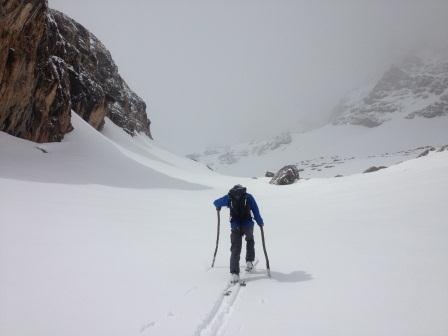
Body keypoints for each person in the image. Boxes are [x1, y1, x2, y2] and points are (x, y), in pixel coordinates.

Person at [213, 184, 264, 283]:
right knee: (250, 240)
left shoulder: (229, 197)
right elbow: (256, 211)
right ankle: (249, 262)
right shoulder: (248, 196)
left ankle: (235, 273)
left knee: (235, 248)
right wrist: (260, 222)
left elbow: (216, 202)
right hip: (248, 225)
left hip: (235, 226)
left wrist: (218, 207)